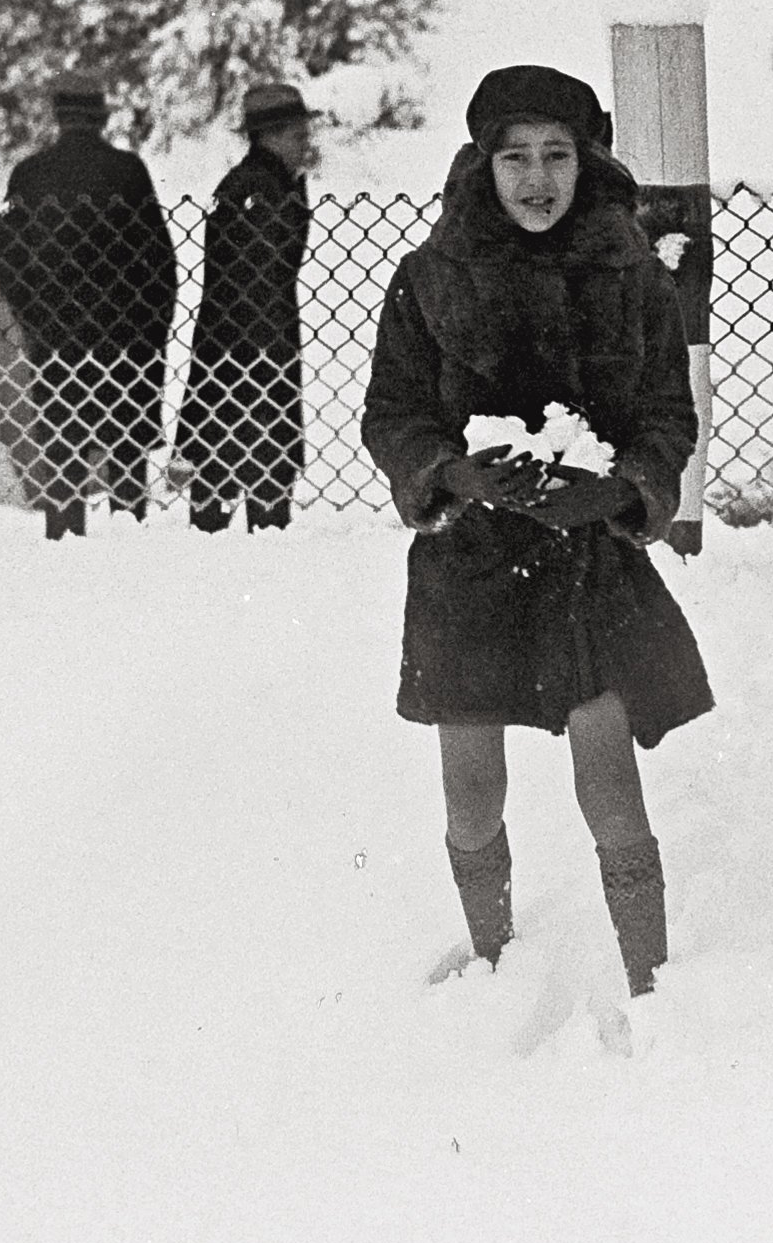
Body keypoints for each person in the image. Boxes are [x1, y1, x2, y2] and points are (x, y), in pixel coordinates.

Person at [362, 64, 710, 996]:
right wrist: (450, 474)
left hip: (582, 558)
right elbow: (392, 414)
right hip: (468, 562)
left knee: (608, 774)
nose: (536, 178)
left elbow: (668, 418)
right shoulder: (429, 277)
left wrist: (623, 490)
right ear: (483, 165)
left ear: (586, 161)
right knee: (471, 792)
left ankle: (650, 976)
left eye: (556, 154)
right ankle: (491, 954)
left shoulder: (630, 274)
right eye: (514, 157)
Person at [0, 78, 176, 538]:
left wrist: (36, 323)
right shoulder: (128, 173)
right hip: (125, 348)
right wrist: (149, 335)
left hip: (58, 348)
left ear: (57, 117)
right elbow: (159, 265)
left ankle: (63, 552)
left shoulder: (30, 175)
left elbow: (8, 261)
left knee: (63, 465)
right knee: (127, 466)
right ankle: (127, 557)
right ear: (103, 116)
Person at [181, 77, 317, 532]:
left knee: (219, 491)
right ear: (271, 135)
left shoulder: (266, 185)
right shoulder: (260, 191)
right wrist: (267, 372)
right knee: (261, 495)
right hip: (254, 359)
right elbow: (257, 289)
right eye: (299, 135)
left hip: (235, 358)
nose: (306, 145)